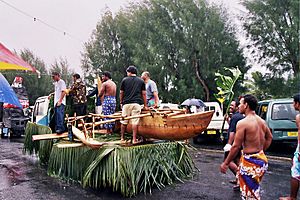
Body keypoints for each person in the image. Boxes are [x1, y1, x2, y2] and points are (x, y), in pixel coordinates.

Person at [220, 94, 273, 200]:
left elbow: (236, 146)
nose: (239, 106)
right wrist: (261, 151)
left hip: (251, 162)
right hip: (261, 160)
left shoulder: (243, 123)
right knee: (253, 191)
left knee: (250, 195)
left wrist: (226, 163)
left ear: (246, 105)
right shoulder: (261, 121)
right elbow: (269, 137)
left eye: (240, 104)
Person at [120, 65, 148, 143]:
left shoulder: (124, 80)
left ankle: (122, 138)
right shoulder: (141, 81)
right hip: (137, 104)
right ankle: (134, 139)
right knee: (135, 122)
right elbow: (144, 94)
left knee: (123, 121)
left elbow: (121, 92)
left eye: (127, 72)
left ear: (130, 72)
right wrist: (145, 105)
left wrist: (121, 102)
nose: (127, 74)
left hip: (126, 103)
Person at [280, 93, 300, 200]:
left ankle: (292, 197)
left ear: (297, 103)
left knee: (296, 172)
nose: (293, 105)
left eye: (294, 102)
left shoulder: (299, 117)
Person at [223, 99, 244, 191]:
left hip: (234, 143)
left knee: (227, 161)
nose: (230, 107)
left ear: (236, 107)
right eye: (230, 105)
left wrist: (229, 144)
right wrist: (228, 121)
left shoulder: (235, 117)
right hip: (239, 143)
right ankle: (238, 180)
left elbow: (233, 132)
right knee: (237, 161)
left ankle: (240, 179)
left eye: (232, 105)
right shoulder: (238, 117)